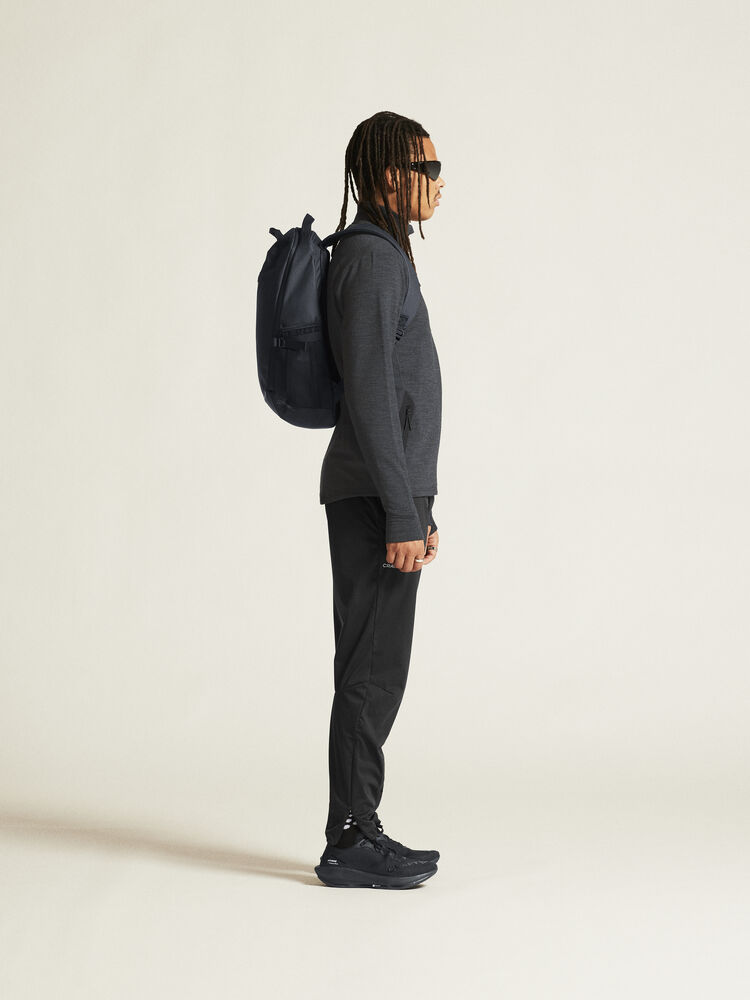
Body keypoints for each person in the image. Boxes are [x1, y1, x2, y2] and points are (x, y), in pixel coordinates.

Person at [314, 111, 445, 889]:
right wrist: (401, 510)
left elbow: (397, 395)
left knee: (380, 667)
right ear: (391, 176)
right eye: (428, 168)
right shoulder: (370, 260)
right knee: (369, 670)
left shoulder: (384, 255)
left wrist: (419, 506)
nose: (438, 184)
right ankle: (351, 837)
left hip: (387, 494)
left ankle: (357, 826)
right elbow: (369, 395)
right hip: (372, 496)